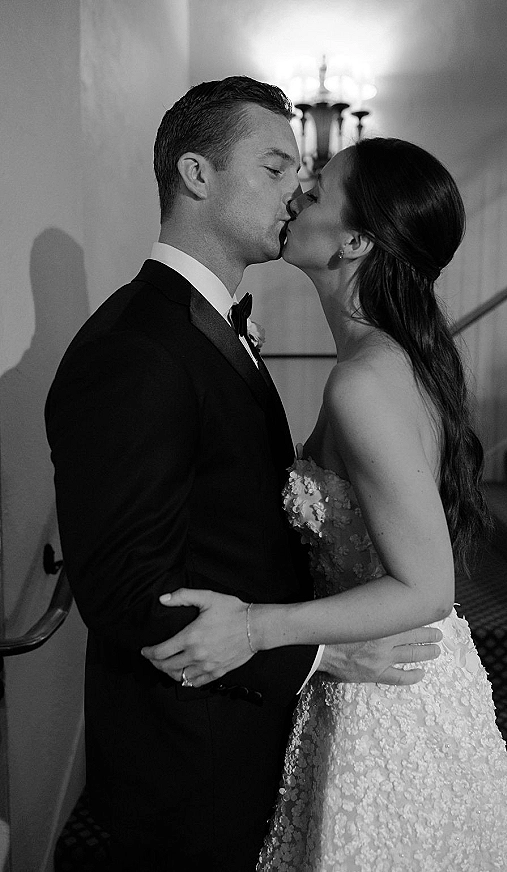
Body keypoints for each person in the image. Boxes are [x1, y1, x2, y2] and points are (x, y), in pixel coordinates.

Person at [45, 79, 442, 872]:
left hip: (246, 727)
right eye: (274, 167)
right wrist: (318, 655)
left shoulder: (209, 326)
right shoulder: (135, 348)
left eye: (302, 174)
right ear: (197, 175)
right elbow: (126, 591)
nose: (296, 189)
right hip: (189, 750)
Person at [143, 138, 507, 870]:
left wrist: (257, 627)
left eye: (318, 186)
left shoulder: (365, 383)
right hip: (370, 673)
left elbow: (427, 588)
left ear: (355, 241)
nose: (297, 189)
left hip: (391, 697)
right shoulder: (380, 360)